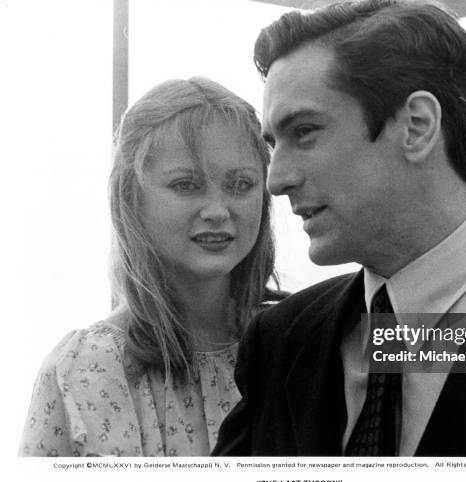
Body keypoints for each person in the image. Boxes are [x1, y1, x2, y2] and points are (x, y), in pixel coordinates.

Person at [214, 0, 466, 457]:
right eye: (273, 144)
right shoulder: (280, 342)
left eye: (304, 131)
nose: (276, 179)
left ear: (417, 127)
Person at [20, 77, 280, 457]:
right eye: (186, 185)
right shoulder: (83, 367)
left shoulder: (300, 338)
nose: (218, 211)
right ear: (131, 198)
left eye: (241, 184)